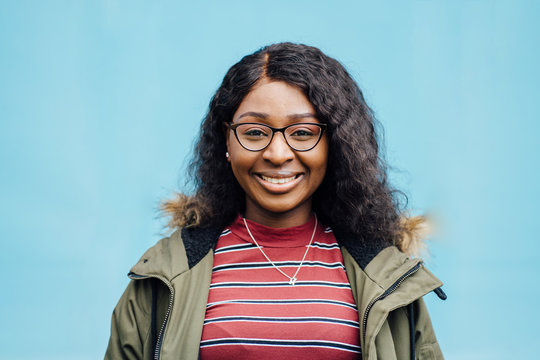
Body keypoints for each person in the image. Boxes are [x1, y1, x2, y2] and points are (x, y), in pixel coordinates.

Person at [105, 42, 446, 360]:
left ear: (335, 143)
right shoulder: (164, 275)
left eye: (302, 133)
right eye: (254, 132)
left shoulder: (388, 276)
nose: (277, 153)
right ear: (227, 139)